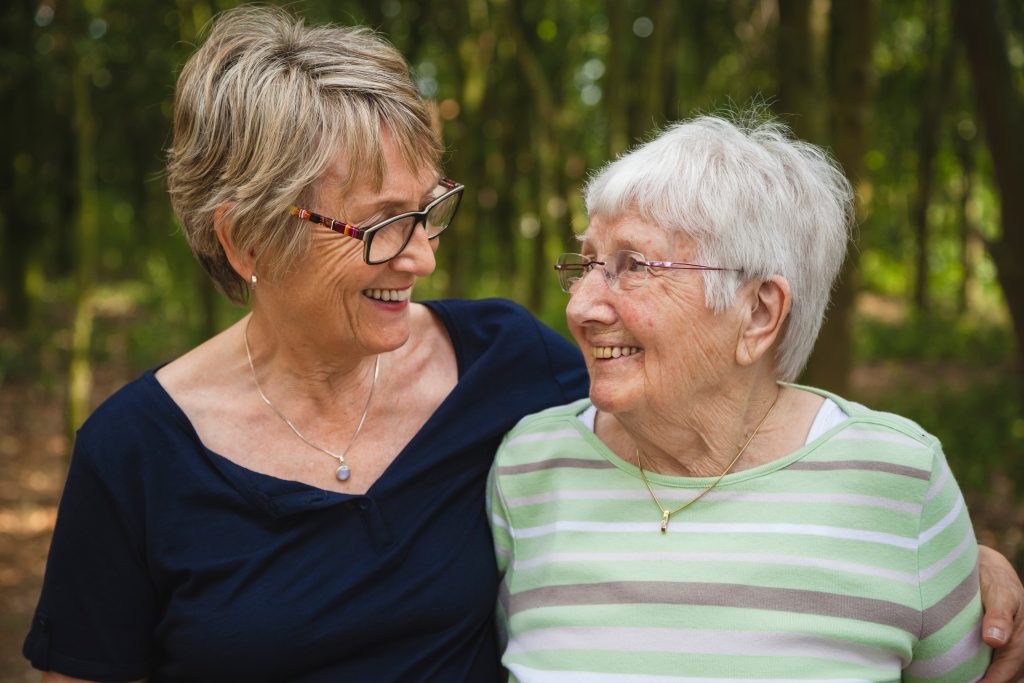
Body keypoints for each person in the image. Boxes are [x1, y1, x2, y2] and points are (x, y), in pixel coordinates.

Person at [20, 6, 1024, 683]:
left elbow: (705, 409)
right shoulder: (134, 452)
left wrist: (934, 554)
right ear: (245, 239)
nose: (418, 256)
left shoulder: (508, 366)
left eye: (429, 210)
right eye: (378, 225)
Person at [488, 114, 1016, 682]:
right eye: (588, 263)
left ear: (759, 313)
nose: (581, 307)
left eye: (633, 266)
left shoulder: (897, 481)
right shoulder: (530, 466)